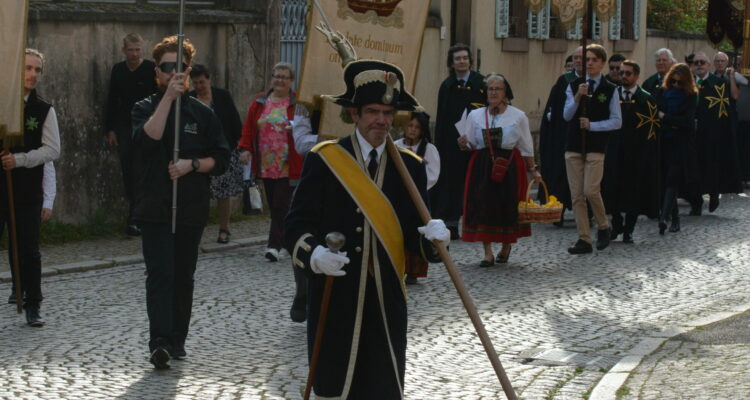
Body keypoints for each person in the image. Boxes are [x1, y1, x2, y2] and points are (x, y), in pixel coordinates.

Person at [284, 59, 447, 399]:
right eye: (373, 111)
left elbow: (415, 237)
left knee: (383, 386)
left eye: (389, 114)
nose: (381, 121)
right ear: (354, 114)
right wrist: (313, 256)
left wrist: (434, 240)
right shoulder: (326, 159)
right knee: (335, 384)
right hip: (336, 295)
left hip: (387, 299)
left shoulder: (409, 168)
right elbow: (296, 226)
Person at [131, 36, 230, 369]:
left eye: (181, 67)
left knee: (183, 275)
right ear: (157, 72)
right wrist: (167, 100)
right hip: (155, 207)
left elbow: (222, 157)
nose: (174, 72)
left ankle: (177, 339)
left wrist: (193, 165)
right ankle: (158, 340)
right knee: (159, 273)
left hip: (190, 207)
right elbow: (147, 140)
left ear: (188, 70)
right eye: (167, 67)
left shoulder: (202, 113)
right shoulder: (144, 107)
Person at [1, 48, 61, 326]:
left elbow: (51, 150)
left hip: (26, 189)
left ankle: (33, 303)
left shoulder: (44, 110)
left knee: (28, 249)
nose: (33, 74)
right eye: (28, 68)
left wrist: (21, 159)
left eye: (37, 69)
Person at [458, 74, 541, 267]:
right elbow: (470, 144)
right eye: (490, 89)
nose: (493, 92)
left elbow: (526, 146)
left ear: (505, 93)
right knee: (482, 205)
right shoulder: (475, 115)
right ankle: (487, 253)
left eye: (497, 89)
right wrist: (462, 143)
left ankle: (506, 245)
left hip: (509, 164)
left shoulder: (518, 116)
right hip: (482, 165)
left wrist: (533, 169)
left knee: (508, 205)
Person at [238, 62, 302, 262]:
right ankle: (288, 241)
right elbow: (248, 128)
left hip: (288, 162)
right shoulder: (259, 102)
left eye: (284, 77)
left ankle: (273, 246)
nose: (280, 80)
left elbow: (307, 127)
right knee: (275, 206)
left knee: (280, 204)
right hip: (265, 163)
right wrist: (245, 148)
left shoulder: (298, 102)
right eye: (277, 76)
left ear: (291, 81)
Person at [563, 44, 622, 254]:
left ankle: (604, 226)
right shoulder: (573, 85)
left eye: (594, 60)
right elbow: (567, 115)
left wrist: (593, 126)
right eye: (586, 60)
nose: (589, 64)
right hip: (574, 145)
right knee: (577, 195)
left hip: (596, 146)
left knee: (590, 190)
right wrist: (579, 96)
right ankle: (584, 238)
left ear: (602, 63)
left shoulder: (611, 88)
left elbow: (616, 121)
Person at [104, 33, 158, 236]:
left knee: (142, 171)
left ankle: (137, 218)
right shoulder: (119, 70)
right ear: (124, 50)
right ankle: (134, 214)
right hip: (125, 127)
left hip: (146, 126)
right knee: (128, 171)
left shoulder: (150, 69)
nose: (134, 54)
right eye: (130, 50)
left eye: (137, 50)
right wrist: (110, 128)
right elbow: (112, 99)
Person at [432, 44, 486, 239]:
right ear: (452, 63)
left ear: (470, 60)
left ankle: (475, 223)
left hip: (478, 144)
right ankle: (452, 224)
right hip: (452, 144)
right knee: (452, 184)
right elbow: (442, 117)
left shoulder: (482, 83)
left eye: (465, 57)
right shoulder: (447, 86)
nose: (462, 61)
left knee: (476, 184)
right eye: (457, 59)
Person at [602, 60, 660, 242]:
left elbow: (652, 127)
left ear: (636, 76)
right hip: (615, 150)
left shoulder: (646, 98)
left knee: (634, 191)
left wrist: (648, 154)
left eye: (628, 73)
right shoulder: (613, 95)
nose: (624, 76)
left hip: (637, 153)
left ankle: (629, 229)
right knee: (611, 190)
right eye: (622, 73)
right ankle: (617, 223)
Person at [188, 64, 243, 244]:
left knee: (223, 193)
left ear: (209, 79)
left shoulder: (222, 96)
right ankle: (194, 230)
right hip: (197, 153)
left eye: (202, 82)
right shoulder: (189, 99)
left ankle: (224, 228)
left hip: (222, 151)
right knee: (197, 193)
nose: (199, 86)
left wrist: (237, 147)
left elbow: (234, 122)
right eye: (195, 83)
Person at [689, 52, 742, 214]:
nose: (699, 65)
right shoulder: (688, 83)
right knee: (694, 167)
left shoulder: (718, 83)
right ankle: (696, 202)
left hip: (712, 133)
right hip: (692, 133)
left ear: (708, 65)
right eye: (696, 62)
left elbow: (728, 103)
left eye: (702, 62)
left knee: (711, 164)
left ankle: (713, 193)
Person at [394, 112, 440, 284]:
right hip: (398, 196)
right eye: (410, 126)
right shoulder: (396, 145)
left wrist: (417, 188)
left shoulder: (429, 149)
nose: (413, 130)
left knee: (416, 232)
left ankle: (413, 270)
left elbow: (433, 174)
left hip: (418, 197)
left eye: (417, 127)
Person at [539, 47, 582, 226]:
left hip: (586, 134)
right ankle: (559, 209)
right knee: (560, 174)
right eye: (575, 58)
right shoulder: (564, 81)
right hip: (564, 134)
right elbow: (554, 110)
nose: (578, 62)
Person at [654, 63, 698, 234]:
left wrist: (666, 118)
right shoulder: (662, 92)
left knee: (673, 180)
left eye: (680, 83)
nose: (676, 85)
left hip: (680, 144)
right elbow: (655, 112)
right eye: (673, 81)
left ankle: (664, 218)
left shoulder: (690, 96)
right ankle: (676, 219)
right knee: (665, 181)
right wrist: (672, 121)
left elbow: (687, 122)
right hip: (664, 142)